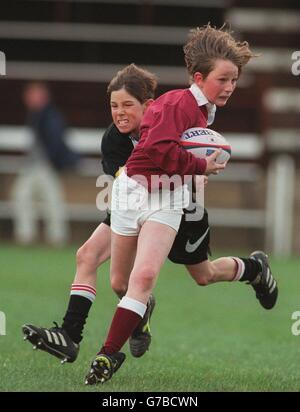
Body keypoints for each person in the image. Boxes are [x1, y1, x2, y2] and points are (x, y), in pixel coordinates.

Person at [85, 24, 278, 385]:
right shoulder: (179, 103)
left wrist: (191, 175)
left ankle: (106, 356)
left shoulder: (206, 109)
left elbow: (172, 154)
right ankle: (250, 270)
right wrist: (199, 166)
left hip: (169, 197)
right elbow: (158, 149)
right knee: (120, 283)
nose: (230, 87)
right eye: (224, 79)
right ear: (199, 77)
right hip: (131, 193)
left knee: (145, 278)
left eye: (234, 80)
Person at [11, 82, 80, 246]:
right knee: (28, 196)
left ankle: (46, 236)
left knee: (45, 198)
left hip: (44, 165)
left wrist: (52, 160)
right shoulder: (38, 115)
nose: (29, 99)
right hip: (37, 165)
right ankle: (40, 235)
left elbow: (55, 141)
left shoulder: (48, 115)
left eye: (33, 95)